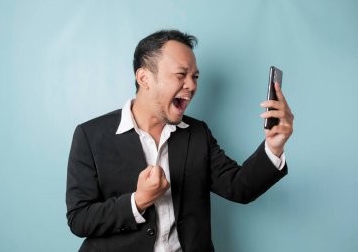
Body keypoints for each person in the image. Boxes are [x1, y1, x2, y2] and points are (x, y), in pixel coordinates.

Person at [66, 29, 294, 252]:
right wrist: (138, 201)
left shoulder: (197, 134)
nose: (192, 85)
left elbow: (239, 187)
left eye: (195, 76)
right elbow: (79, 219)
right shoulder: (91, 136)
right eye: (181, 75)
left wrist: (275, 146)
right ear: (144, 78)